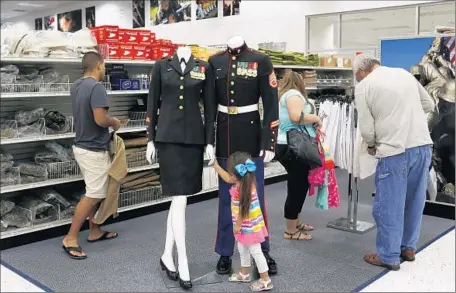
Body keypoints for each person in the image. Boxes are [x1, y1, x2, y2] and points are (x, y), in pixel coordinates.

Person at [353, 54, 434, 271]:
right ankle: (408, 248)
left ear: (361, 72)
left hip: (394, 149)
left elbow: (367, 128)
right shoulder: (403, 74)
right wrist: (408, 118)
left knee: (388, 205)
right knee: (415, 200)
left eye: (356, 76)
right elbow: (429, 103)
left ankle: (388, 255)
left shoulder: (364, 86)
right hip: (422, 145)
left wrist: (371, 144)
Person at [62, 52, 121, 260]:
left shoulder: (77, 85)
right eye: (104, 66)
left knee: (95, 190)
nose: (104, 69)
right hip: (93, 149)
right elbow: (100, 119)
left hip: (82, 146)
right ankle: (70, 237)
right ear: (99, 65)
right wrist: (114, 121)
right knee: (94, 194)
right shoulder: (97, 88)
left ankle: (94, 231)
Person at [213, 152, 273, 292]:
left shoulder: (243, 189)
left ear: (237, 174)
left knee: (256, 252)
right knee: (242, 248)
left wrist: (237, 225)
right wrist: (216, 166)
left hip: (249, 227)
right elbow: (228, 178)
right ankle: (244, 273)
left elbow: (244, 210)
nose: (230, 175)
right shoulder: (243, 182)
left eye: (231, 172)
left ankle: (266, 280)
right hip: (245, 227)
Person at [275, 70, 322, 241]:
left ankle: (294, 222)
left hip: (289, 144)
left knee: (298, 184)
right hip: (293, 146)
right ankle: (290, 231)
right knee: (297, 186)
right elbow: (296, 117)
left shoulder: (286, 95)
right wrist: (315, 118)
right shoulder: (294, 94)